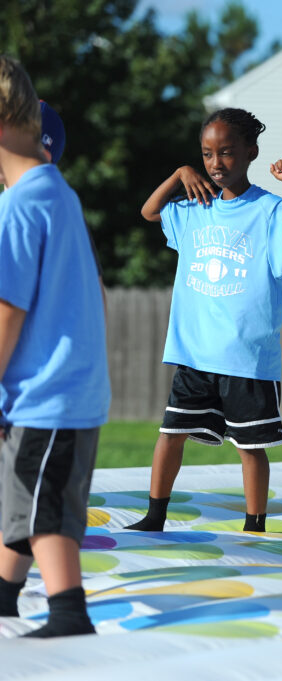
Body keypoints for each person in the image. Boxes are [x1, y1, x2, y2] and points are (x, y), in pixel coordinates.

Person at [125, 108, 282, 533]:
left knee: (251, 446)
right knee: (170, 434)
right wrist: (181, 172)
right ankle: (154, 516)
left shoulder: (270, 212)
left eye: (228, 153)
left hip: (246, 357)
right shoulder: (196, 207)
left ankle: (255, 526)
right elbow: (148, 211)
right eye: (206, 154)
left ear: (251, 152)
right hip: (195, 353)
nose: (216, 163)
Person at [0, 55, 110, 637]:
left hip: (47, 393)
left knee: (42, 511)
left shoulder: (18, 206)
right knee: (23, 499)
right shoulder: (59, 194)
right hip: (72, 391)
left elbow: (6, 309)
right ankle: (3, 595)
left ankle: (69, 611)